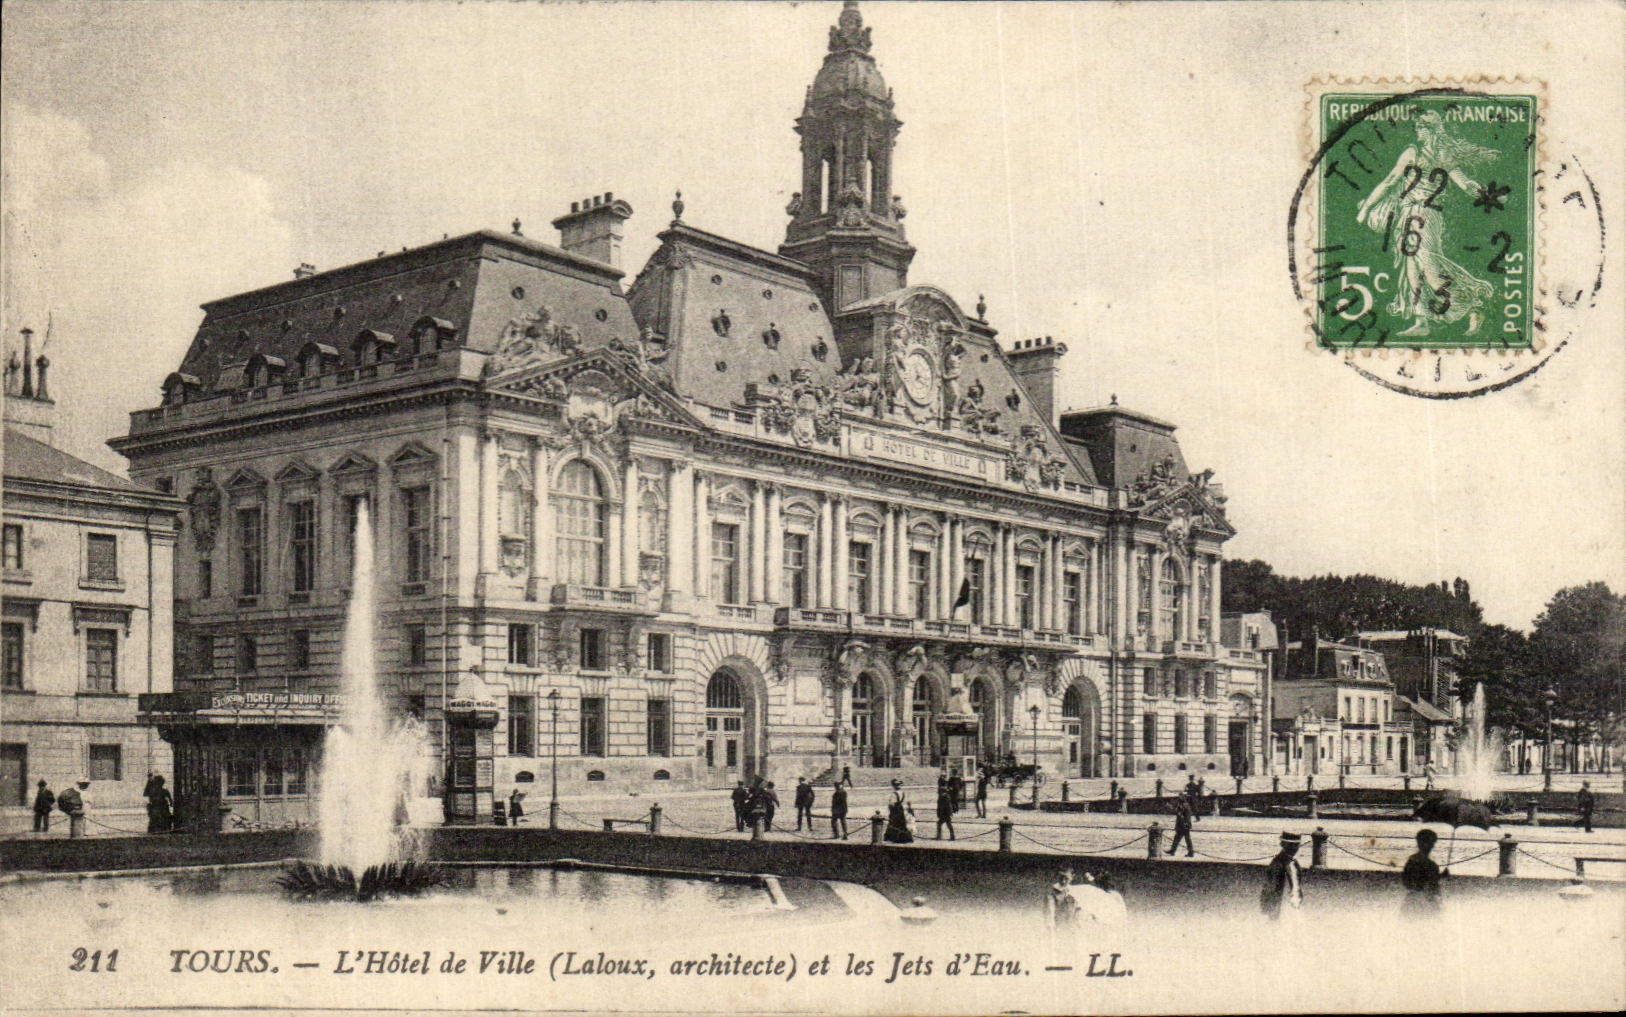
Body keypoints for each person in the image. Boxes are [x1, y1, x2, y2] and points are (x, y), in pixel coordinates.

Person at [1354, 109, 1497, 338]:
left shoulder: (1435, 154)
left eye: (1421, 127)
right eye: (1417, 127)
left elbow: (1461, 181)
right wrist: (1367, 206)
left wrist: (1477, 190)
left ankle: (1473, 305)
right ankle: (1422, 321)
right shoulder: (1416, 152)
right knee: (1412, 269)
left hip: (1426, 216)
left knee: (1430, 267)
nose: (1417, 131)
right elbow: (1391, 181)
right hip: (1409, 215)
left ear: (1431, 130)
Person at [1400, 828, 1448, 918]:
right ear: (1421, 843)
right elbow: (1427, 883)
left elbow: (1407, 882)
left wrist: (1440, 876)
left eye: (1432, 843)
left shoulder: (1412, 860)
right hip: (1423, 903)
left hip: (1413, 902)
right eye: (1430, 843)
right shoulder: (1430, 864)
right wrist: (1440, 877)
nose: (1432, 846)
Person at [1260, 832, 1304, 920]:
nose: (1294, 848)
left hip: (1294, 903)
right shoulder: (1277, 863)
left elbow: (1297, 883)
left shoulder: (1294, 863)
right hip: (1281, 907)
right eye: (1290, 845)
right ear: (1283, 845)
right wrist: (1269, 909)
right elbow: (1270, 888)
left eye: (1296, 845)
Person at [1045, 869, 1082, 934]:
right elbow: (1049, 912)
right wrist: (1051, 928)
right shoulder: (1052, 893)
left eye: (1066, 878)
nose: (1063, 881)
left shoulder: (1075, 891)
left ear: (1072, 877)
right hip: (1059, 928)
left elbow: (1078, 910)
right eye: (1061, 877)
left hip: (1073, 928)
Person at [883, 778, 914, 844]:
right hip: (902, 811)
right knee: (902, 825)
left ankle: (894, 838)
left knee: (894, 824)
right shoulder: (904, 793)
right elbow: (908, 803)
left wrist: (891, 811)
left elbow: (891, 804)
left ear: (893, 786)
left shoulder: (893, 794)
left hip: (896, 812)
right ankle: (904, 838)